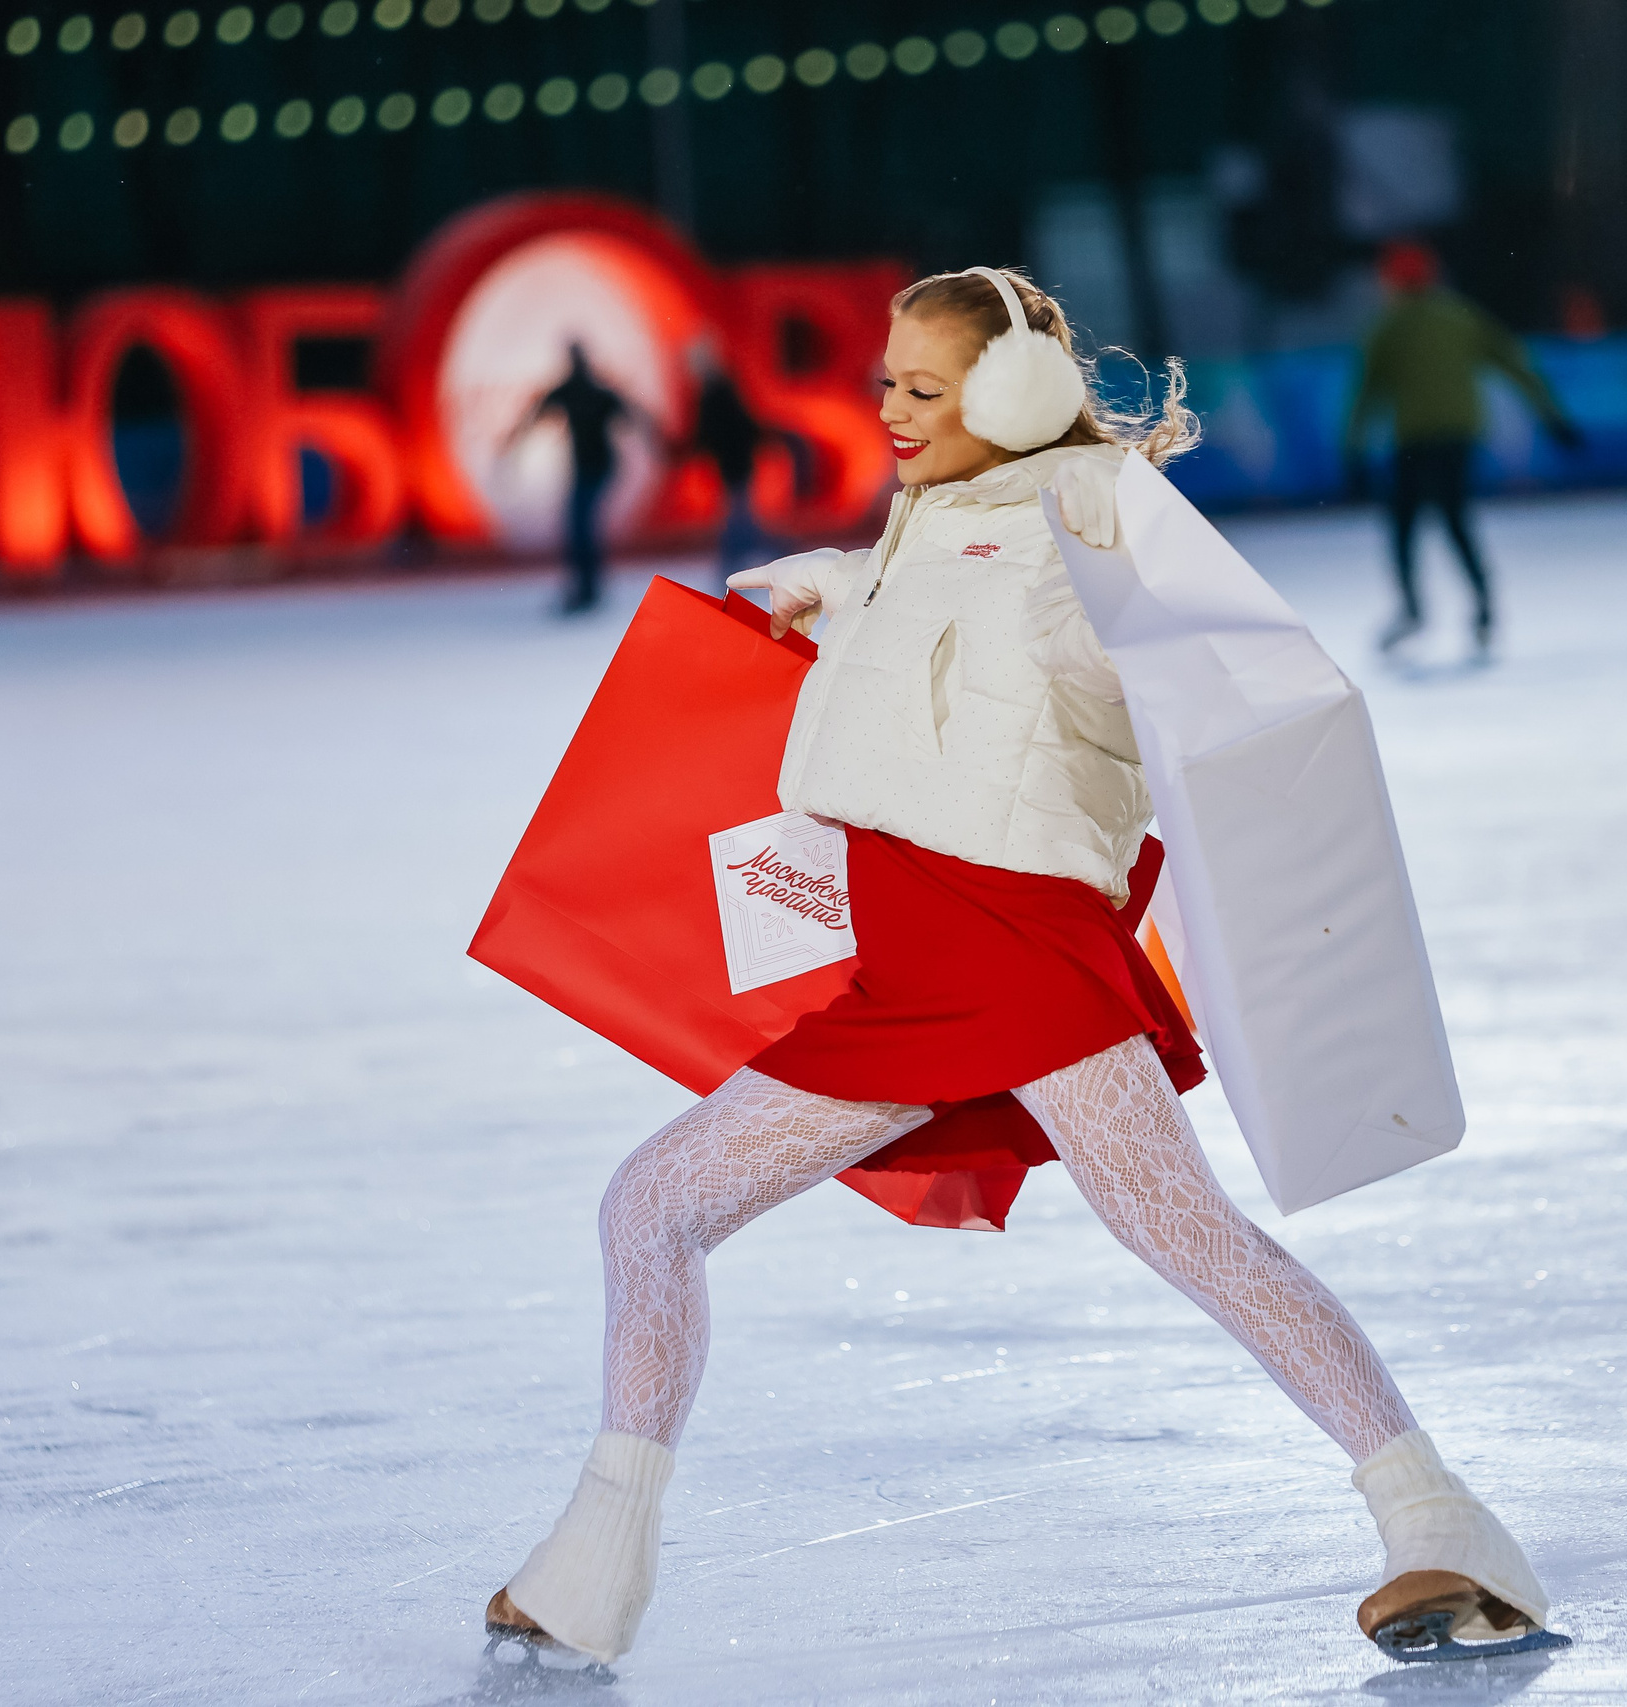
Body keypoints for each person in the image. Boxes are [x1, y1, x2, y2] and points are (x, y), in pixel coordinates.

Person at [483, 267, 1554, 1667]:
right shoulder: (928, 521)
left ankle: (1445, 1521)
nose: (890, 410)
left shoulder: (1097, 516)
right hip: (913, 968)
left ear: (1016, 395)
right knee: (659, 1205)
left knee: (1181, 1233)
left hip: (1016, 951)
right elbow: (947, 616)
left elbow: (1230, 683)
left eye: (926, 389)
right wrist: (842, 586)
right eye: (888, 380)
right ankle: (591, 1572)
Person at [1345, 240, 1582, 660]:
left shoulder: (1389, 328)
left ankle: (1414, 609)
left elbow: (1366, 394)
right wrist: (1552, 417)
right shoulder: (1459, 316)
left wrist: (1354, 452)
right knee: (1455, 519)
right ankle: (1483, 607)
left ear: (1394, 282)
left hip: (1415, 440)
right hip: (1460, 436)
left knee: (1403, 524)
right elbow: (1515, 363)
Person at [509, 344, 632, 615]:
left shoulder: (586, 390)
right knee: (580, 528)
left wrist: (513, 440)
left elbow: (630, 413)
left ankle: (587, 589)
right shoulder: (585, 389)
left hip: (597, 467)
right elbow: (537, 411)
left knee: (581, 527)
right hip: (590, 467)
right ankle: (587, 588)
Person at [685, 340, 775, 584]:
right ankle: (739, 568)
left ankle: (734, 571)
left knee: (738, 521)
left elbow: (721, 430)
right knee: (740, 520)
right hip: (733, 464)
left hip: (735, 463)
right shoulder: (716, 390)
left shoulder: (717, 392)